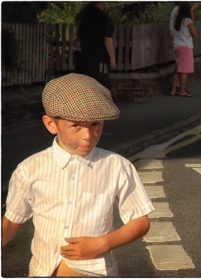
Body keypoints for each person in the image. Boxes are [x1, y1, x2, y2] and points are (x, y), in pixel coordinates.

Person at [2, 73, 155, 276]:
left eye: (95, 124)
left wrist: (103, 243)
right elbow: (12, 220)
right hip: (41, 270)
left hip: (95, 271)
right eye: (76, 125)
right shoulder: (29, 169)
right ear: (50, 124)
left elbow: (140, 221)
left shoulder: (117, 166)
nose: (88, 135)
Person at [75, 2, 116, 90]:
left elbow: (78, 36)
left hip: (83, 57)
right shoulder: (103, 17)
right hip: (99, 59)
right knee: (102, 87)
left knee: (86, 87)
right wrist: (112, 58)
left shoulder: (82, 15)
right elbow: (107, 39)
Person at [170, 3, 197, 97]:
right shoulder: (187, 21)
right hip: (186, 46)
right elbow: (194, 34)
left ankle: (173, 90)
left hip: (177, 45)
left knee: (179, 69)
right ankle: (182, 90)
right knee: (184, 70)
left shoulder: (177, 21)